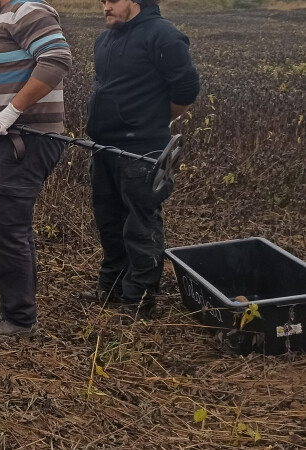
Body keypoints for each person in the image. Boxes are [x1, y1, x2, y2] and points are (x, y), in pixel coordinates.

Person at [80, 0, 200, 322]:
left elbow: (186, 90)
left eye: (112, 0)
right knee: (109, 222)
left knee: (140, 226)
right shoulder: (106, 39)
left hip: (142, 151)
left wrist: (151, 123)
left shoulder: (164, 36)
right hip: (103, 147)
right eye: (102, 1)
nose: (104, 7)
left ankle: (140, 300)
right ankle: (113, 287)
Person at [0, 0, 71, 336]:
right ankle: (16, 309)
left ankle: (19, 318)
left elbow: (57, 59)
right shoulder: (1, 18)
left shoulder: (28, 10)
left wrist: (12, 109)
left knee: (6, 227)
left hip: (26, 139)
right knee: (9, 226)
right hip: (8, 138)